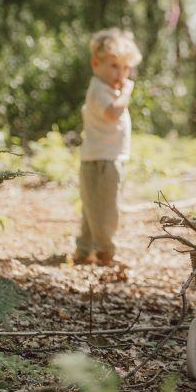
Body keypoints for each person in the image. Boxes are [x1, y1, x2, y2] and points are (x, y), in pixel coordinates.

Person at [73, 28, 142, 266]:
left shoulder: (108, 89)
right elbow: (113, 114)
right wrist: (127, 93)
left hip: (104, 158)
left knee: (93, 209)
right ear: (95, 64)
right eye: (113, 66)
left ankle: (84, 251)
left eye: (125, 68)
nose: (120, 73)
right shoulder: (99, 90)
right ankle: (105, 252)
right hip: (102, 161)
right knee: (107, 212)